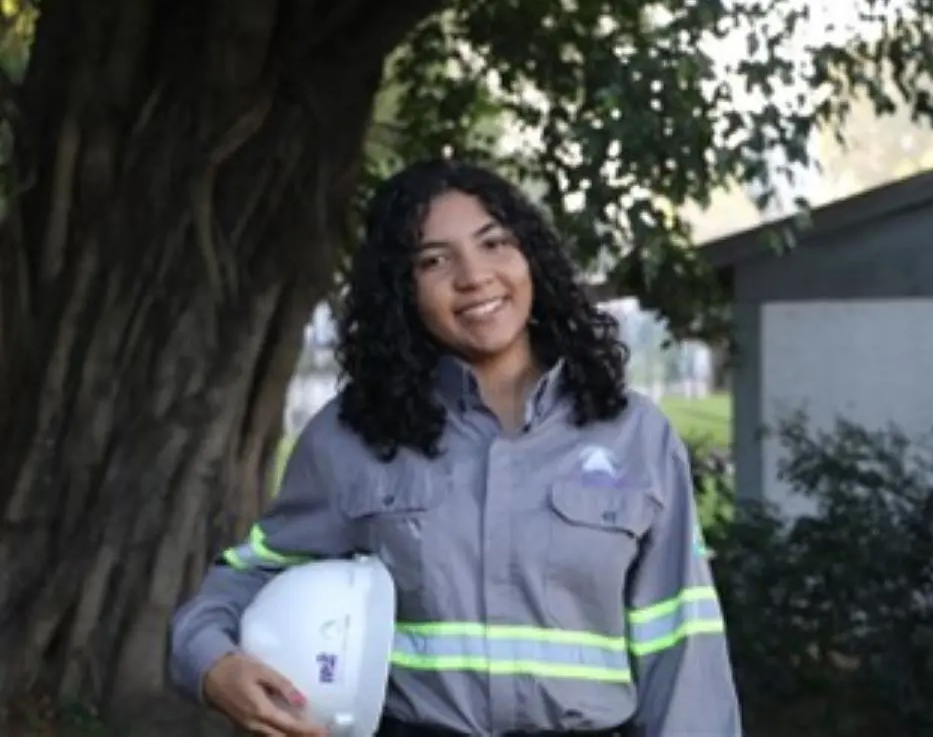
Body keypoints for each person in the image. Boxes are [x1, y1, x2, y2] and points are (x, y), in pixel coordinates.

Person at [168, 158, 742, 737]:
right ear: (402, 289)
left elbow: (683, 649)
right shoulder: (352, 436)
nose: (474, 276)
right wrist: (211, 662)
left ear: (530, 258)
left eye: (494, 243)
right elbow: (250, 576)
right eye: (434, 260)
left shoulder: (634, 433)